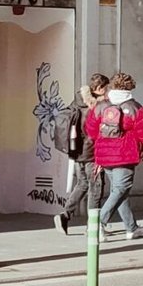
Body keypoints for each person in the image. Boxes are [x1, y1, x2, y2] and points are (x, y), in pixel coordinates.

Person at [86, 70, 143, 241]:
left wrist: (101, 145)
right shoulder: (135, 107)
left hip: (104, 155)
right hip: (125, 155)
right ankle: (98, 224)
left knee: (119, 191)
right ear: (130, 87)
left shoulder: (101, 106)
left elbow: (91, 129)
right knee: (121, 189)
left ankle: (131, 228)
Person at [55, 73, 109, 234]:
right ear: (98, 89)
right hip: (92, 153)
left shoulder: (77, 102)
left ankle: (65, 214)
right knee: (96, 187)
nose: (107, 92)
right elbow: (97, 132)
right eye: (105, 89)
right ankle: (92, 226)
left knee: (83, 184)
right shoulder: (95, 107)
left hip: (78, 151)